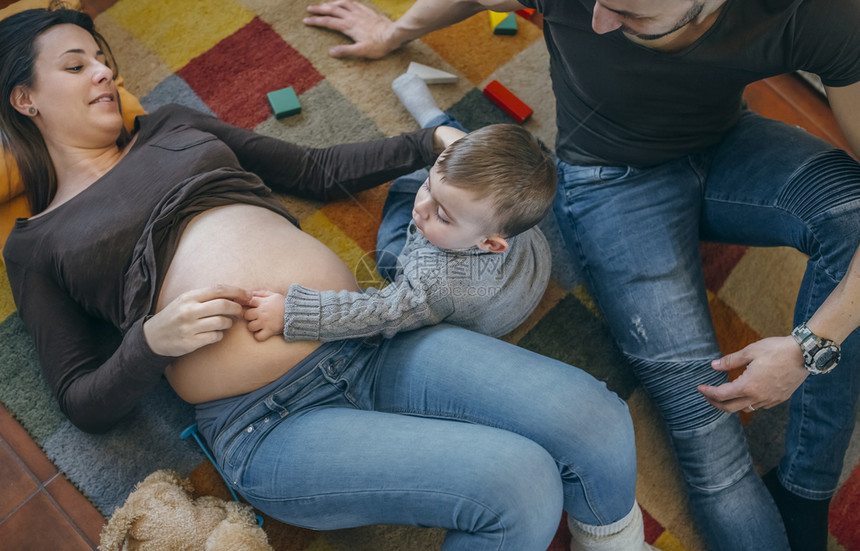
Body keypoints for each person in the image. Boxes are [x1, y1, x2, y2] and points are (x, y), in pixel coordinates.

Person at [0, 7, 655, 551]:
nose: (104, 70)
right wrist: (152, 340)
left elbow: (311, 171)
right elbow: (82, 400)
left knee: (595, 417)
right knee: (522, 486)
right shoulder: (37, 244)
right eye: (76, 64)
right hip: (269, 421)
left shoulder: (171, 125)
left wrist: (432, 148)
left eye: (101, 56)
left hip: (373, 338)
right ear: (24, 98)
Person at [301, 0, 860, 549]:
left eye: (629, 13)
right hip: (609, 181)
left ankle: (804, 489)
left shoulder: (815, 13)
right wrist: (395, 32)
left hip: (730, 143)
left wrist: (813, 344)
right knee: (709, 429)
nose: (596, 20)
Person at [244, 74, 555, 342]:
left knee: (390, 245)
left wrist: (292, 313)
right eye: (428, 189)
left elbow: (374, 314)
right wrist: (442, 202)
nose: (420, 208)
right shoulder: (499, 214)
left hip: (478, 312)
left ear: (489, 244)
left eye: (442, 215)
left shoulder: (437, 283)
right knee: (479, 165)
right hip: (523, 270)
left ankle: (432, 142)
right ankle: (434, 125)